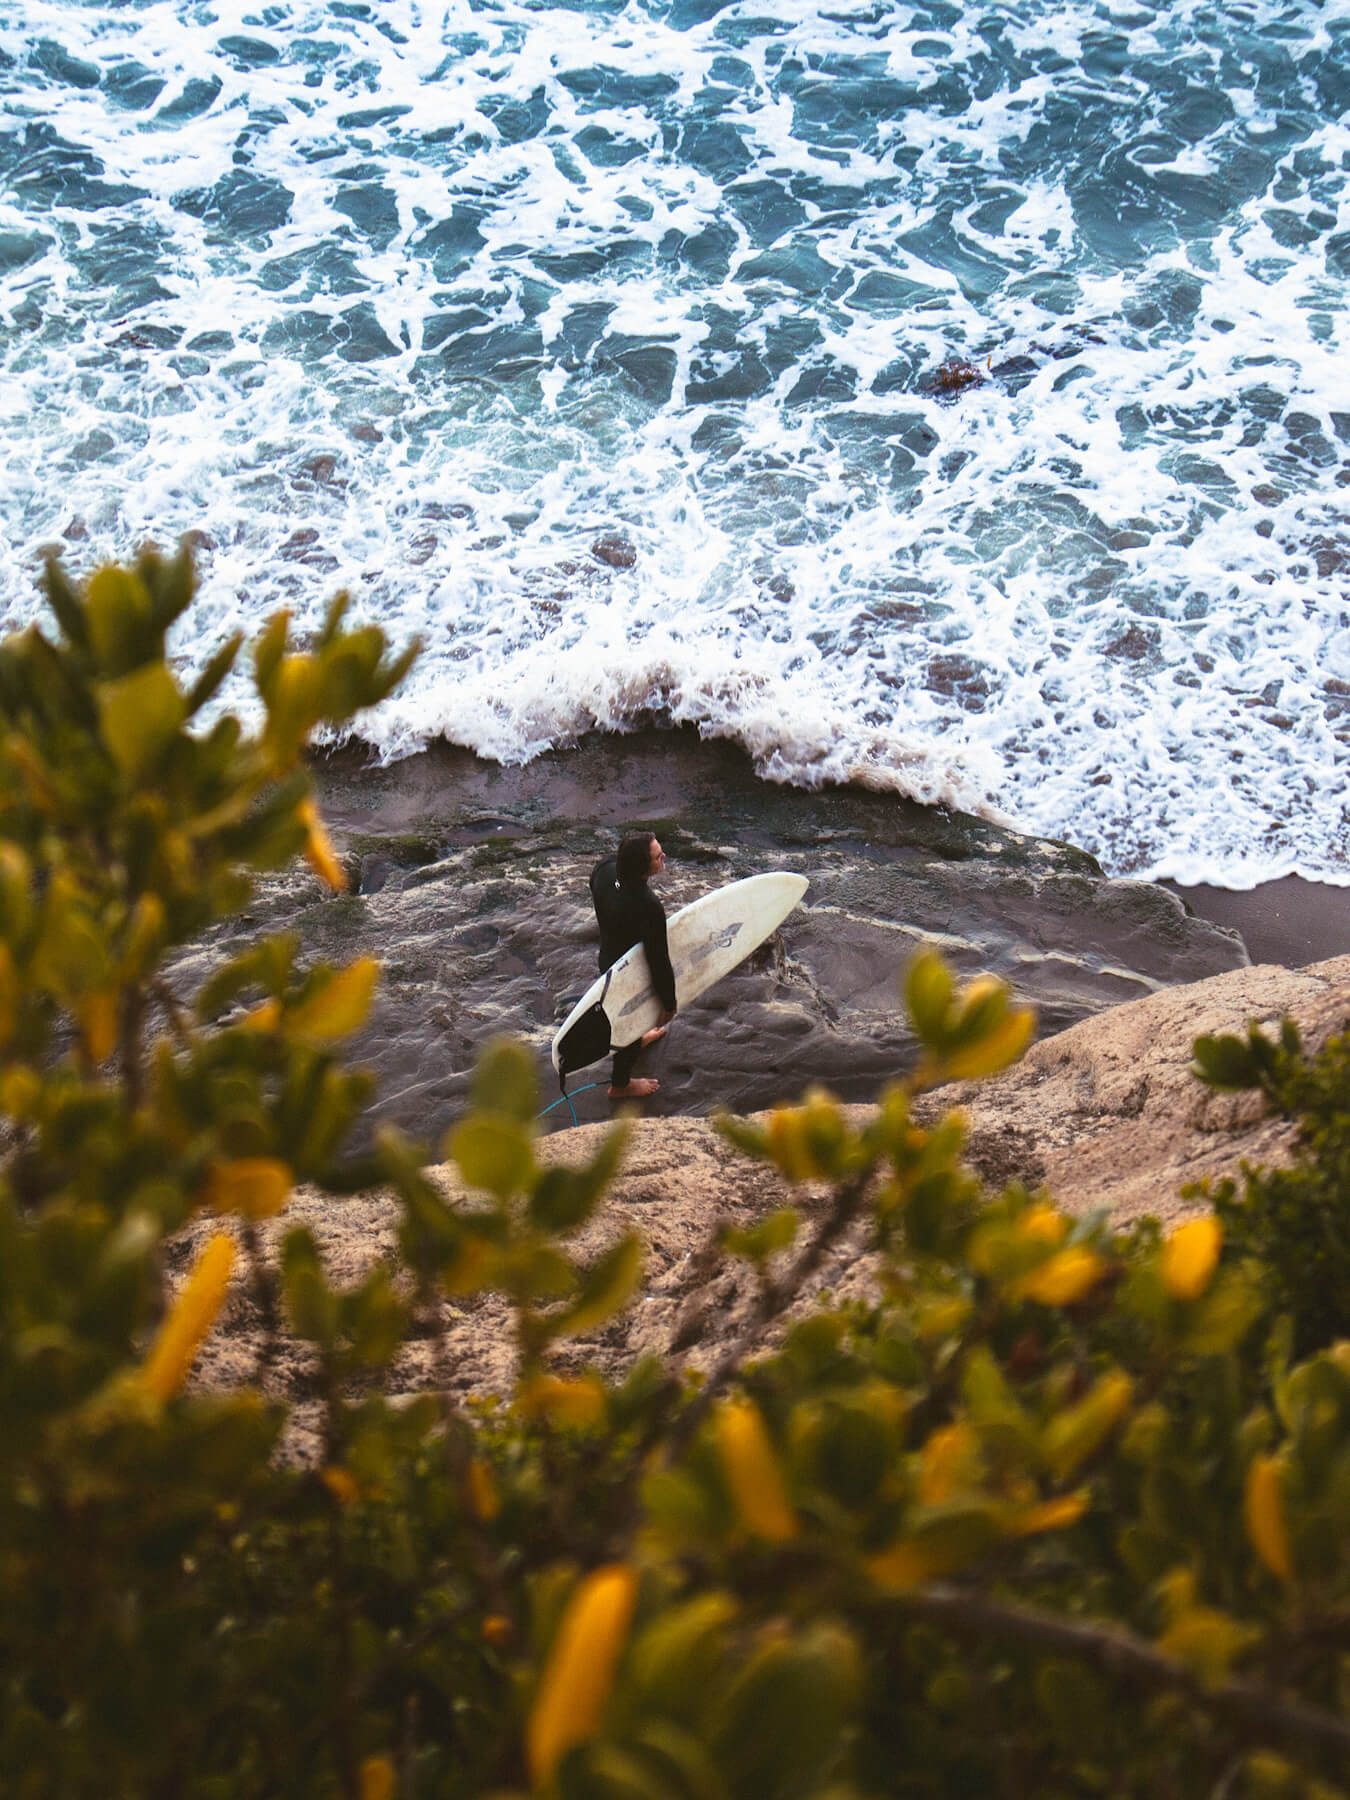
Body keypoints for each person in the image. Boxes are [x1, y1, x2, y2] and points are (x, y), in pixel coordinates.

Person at [589, 830, 677, 1100]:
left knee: (628, 1019)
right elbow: (658, 959)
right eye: (657, 855)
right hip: (629, 972)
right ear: (642, 868)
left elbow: (596, 884)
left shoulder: (605, 870)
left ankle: (639, 1040)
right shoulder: (647, 906)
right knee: (628, 1021)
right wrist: (669, 1002)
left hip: (608, 957)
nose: (663, 855)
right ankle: (620, 1085)